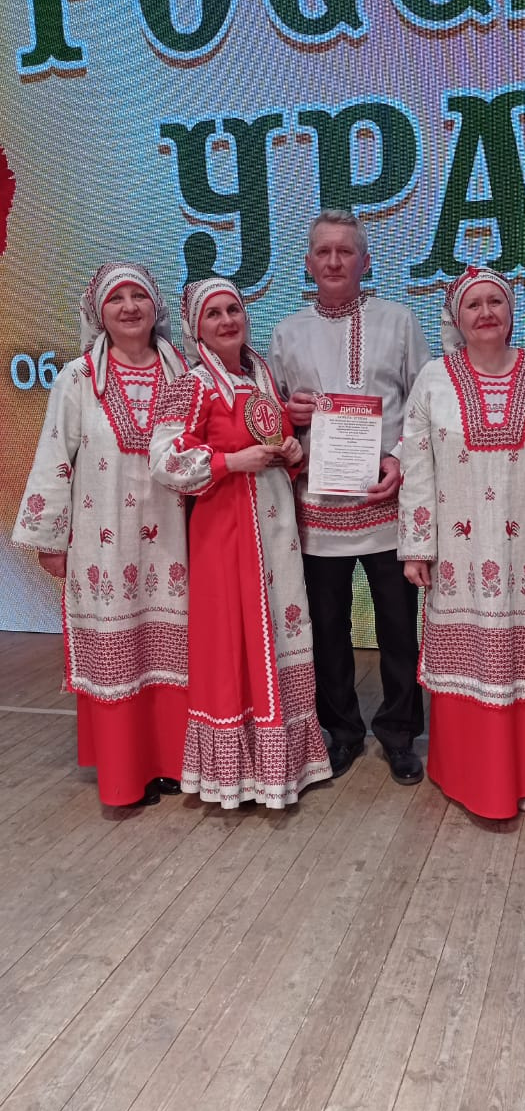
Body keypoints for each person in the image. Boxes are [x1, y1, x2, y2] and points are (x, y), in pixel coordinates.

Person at [149, 278, 331, 808]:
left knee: (278, 631)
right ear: (196, 328)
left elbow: (274, 444)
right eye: (214, 314)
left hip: (275, 531)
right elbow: (164, 459)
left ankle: (282, 764)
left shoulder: (261, 377)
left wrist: (292, 452)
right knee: (233, 637)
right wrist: (231, 462)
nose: (228, 320)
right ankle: (236, 774)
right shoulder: (193, 384)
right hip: (226, 530)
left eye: (234, 310)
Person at [12, 263, 189, 806]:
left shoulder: (185, 373)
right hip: (102, 543)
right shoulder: (76, 378)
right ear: (98, 311)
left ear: (156, 306)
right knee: (118, 648)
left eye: (139, 296)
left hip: (176, 542)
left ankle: (173, 763)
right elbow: (54, 457)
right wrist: (50, 538)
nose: (130, 307)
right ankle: (123, 775)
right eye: (118, 298)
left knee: (171, 647)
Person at [268, 210, 430, 784]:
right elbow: (267, 420)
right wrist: (288, 413)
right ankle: (340, 731)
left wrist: (399, 457)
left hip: (386, 504)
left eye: (345, 251)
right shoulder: (286, 332)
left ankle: (399, 734)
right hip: (317, 512)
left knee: (398, 628)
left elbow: (425, 405)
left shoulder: (399, 321)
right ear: (308, 263)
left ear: (365, 261)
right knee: (326, 628)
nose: (334, 261)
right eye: (323, 252)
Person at [399, 266, 525, 818]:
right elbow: (416, 464)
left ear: (512, 313)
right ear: (456, 318)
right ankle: (470, 774)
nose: (486, 312)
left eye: (496, 302)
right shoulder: (433, 378)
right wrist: (416, 545)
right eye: (473, 304)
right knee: (468, 655)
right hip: (460, 553)